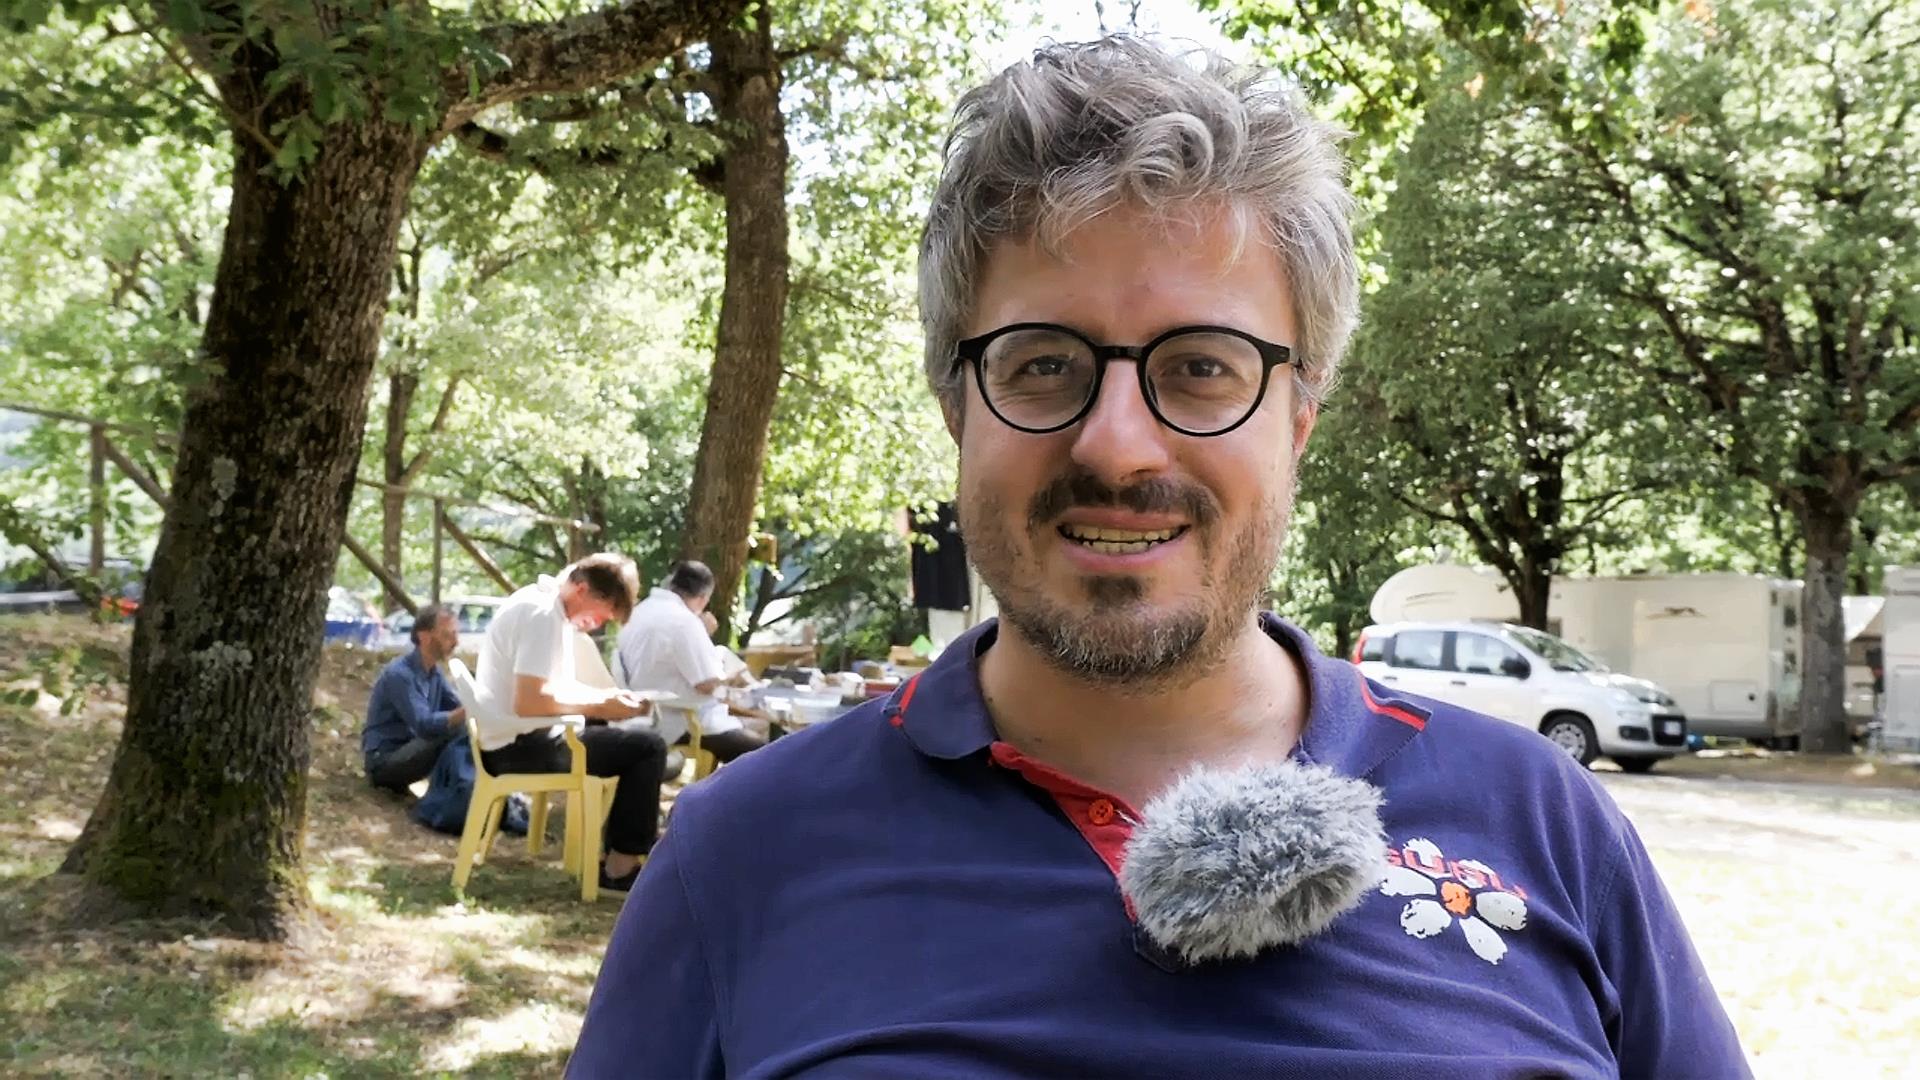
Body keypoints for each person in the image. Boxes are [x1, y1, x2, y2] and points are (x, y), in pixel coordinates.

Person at [570, 37, 1748, 1077]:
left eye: (1202, 367)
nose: (1118, 445)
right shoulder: (741, 855)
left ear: (1299, 416)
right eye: (1041, 364)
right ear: (955, 407)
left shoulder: (1547, 822)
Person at [474, 553, 668, 895]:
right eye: (600, 615)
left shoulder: (545, 607)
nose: (596, 625)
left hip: (516, 738)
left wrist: (606, 700)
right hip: (518, 748)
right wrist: (601, 705)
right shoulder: (541, 616)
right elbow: (529, 701)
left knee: (615, 732)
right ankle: (620, 867)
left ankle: (622, 846)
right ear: (580, 590)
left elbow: (551, 687)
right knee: (647, 748)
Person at [615, 560, 766, 764]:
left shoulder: (640, 611)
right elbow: (707, 684)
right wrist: (735, 677)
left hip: (642, 712)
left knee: (752, 728)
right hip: (678, 719)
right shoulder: (684, 622)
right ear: (703, 599)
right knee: (762, 751)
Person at [362, 603, 464, 794]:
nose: (455, 642)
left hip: (409, 752)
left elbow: (456, 706)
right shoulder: (400, 674)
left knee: (466, 728)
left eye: (456, 634)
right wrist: (465, 713)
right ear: (424, 636)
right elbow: (423, 724)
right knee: (453, 729)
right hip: (384, 762)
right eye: (447, 635)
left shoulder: (434, 672)